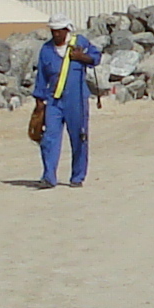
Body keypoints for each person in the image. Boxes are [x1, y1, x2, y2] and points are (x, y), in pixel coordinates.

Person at [31, 22, 97, 188]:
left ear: (66, 30)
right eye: (53, 31)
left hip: (77, 99)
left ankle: (77, 177)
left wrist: (82, 58)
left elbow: (96, 57)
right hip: (53, 100)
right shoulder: (46, 50)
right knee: (49, 138)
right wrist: (39, 101)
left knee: (79, 137)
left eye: (59, 31)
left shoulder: (80, 42)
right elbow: (41, 76)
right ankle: (48, 177)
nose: (56, 34)